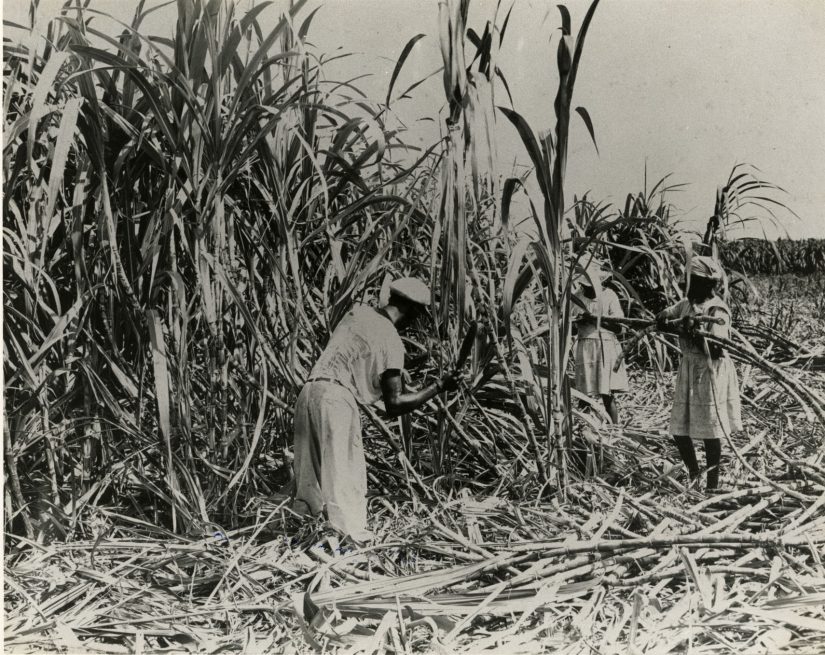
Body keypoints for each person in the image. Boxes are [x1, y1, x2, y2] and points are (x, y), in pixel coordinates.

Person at [292, 277, 460, 543]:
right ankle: (351, 542)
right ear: (413, 312)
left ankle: (301, 538)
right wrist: (438, 386)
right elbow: (394, 404)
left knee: (308, 477)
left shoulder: (357, 314)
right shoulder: (391, 340)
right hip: (337, 399)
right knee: (344, 476)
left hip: (309, 391)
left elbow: (361, 354)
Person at [657, 255, 742, 491]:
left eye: (693, 281)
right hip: (689, 369)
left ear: (706, 283)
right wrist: (668, 321)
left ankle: (712, 485)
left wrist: (693, 332)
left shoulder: (716, 309)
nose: (688, 286)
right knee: (678, 428)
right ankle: (695, 474)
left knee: (710, 431)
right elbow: (663, 317)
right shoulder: (687, 304)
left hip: (710, 372)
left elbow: (717, 349)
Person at [572, 260, 629, 424]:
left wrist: (594, 319)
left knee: (607, 394)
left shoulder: (609, 296)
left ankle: (615, 430)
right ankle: (581, 429)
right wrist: (577, 322)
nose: (590, 288)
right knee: (584, 393)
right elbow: (573, 330)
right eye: (587, 285)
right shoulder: (576, 297)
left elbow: (619, 328)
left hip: (606, 347)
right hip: (585, 347)